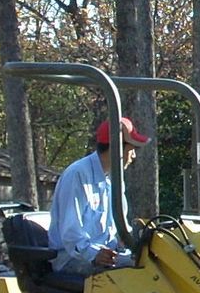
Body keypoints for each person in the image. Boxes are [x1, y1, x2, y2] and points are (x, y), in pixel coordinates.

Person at [48, 115, 151, 274]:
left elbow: (119, 229)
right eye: (132, 149)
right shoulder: (77, 175)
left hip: (105, 255)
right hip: (72, 260)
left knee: (151, 268)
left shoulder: (114, 179)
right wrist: (94, 254)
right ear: (116, 147)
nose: (134, 156)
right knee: (133, 277)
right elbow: (71, 235)